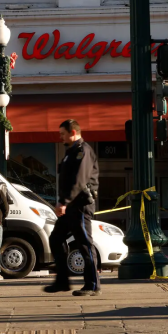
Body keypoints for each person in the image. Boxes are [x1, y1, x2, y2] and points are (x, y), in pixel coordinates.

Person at [44, 119, 101, 296]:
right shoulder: (71, 152)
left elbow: (79, 180)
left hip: (80, 206)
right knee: (55, 239)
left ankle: (93, 285)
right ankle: (62, 281)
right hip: (70, 206)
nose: (60, 137)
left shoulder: (83, 151)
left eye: (62, 133)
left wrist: (64, 202)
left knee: (84, 244)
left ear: (73, 132)